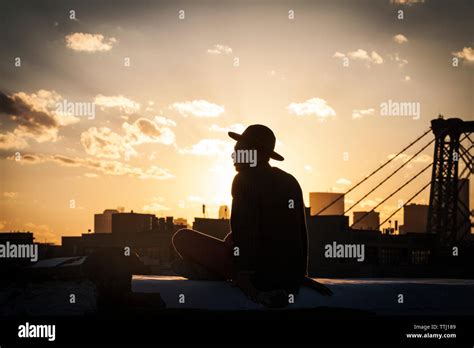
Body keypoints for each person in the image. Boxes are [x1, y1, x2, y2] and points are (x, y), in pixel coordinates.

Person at [172, 124, 331, 307]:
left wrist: (246, 280)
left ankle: (214, 272)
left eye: (239, 150)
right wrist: (299, 275)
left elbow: (246, 233)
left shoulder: (244, 179)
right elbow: (301, 234)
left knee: (182, 237)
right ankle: (212, 271)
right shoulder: (290, 181)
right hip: (288, 277)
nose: (233, 156)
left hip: (258, 276)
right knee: (230, 240)